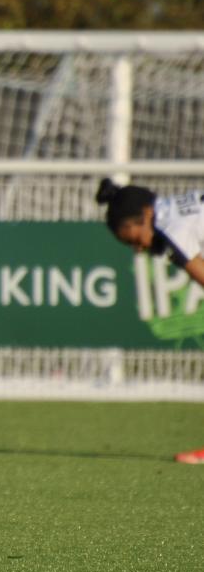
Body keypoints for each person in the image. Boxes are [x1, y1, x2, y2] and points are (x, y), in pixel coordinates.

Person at [96, 177, 204, 464]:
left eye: (134, 239)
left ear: (146, 215)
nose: (139, 249)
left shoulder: (171, 230)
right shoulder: (174, 209)